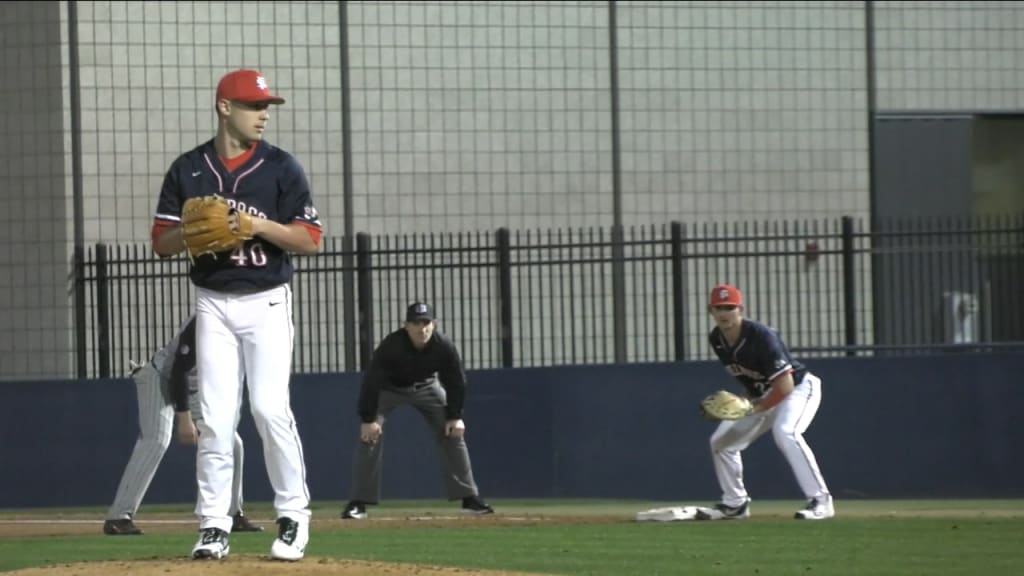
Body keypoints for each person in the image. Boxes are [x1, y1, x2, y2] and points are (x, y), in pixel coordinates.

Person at [151, 69, 323, 561]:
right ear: (225, 107)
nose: (263, 114)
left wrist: (255, 224)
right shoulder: (188, 169)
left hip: (267, 301)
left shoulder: (281, 168)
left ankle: (293, 516)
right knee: (218, 420)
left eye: (266, 106)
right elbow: (161, 243)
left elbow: (311, 240)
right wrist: (195, 229)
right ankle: (213, 525)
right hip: (213, 303)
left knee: (270, 410)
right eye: (253, 105)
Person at [103, 314, 263, 536]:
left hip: (195, 388)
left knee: (233, 443)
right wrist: (185, 420)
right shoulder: (207, 320)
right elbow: (179, 370)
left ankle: (232, 514)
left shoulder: (247, 331)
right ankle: (118, 517)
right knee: (156, 441)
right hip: (161, 378)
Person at [341, 302, 494, 520]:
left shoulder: (444, 346)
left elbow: (456, 381)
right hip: (388, 389)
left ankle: (470, 498)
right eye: (415, 323)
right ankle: (358, 503)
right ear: (406, 326)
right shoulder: (391, 346)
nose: (421, 328)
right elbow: (371, 381)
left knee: (453, 433)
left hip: (427, 386)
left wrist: (455, 416)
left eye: (426, 322)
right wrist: (368, 419)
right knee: (369, 436)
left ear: (434, 324)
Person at [697, 284, 834, 521]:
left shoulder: (761, 335)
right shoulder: (717, 339)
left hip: (799, 389)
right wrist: (744, 402)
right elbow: (752, 381)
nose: (724, 313)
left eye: (729, 307)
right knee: (721, 442)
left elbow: (785, 386)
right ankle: (735, 504)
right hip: (765, 394)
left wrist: (755, 408)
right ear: (710, 310)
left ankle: (821, 501)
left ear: (740, 309)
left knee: (786, 431)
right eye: (718, 308)